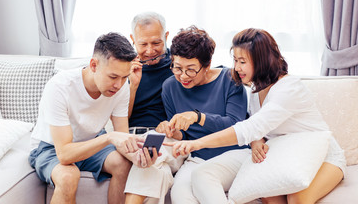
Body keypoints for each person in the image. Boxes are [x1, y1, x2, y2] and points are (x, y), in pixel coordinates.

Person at [168, 28, 346, 204]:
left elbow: (250, 127)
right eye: (235, 60)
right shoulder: (255, 91)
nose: (236, 68)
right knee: (268, 195)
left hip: (323, 155)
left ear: (261, 61)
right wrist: (256, 140)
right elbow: (255, 126)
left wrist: (196, 143)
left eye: (242, 61)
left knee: (297, 198)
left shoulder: (289, 88)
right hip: (285, 154)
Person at [124, 26, 249, 204]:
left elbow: (236, 126)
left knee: (203, 177)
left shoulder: (229, 79)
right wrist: (171, 130)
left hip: (233, 153)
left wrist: (197, 117)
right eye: (177, 68)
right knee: (180, 195)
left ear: (207, 64)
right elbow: (184, 135)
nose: (183, 76)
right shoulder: (169, 86)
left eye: (191, 69)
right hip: (197, 157)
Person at [29, 32, 155, 204]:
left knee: (123, 163)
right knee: (68, 176)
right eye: (113, 77)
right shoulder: (60, 87)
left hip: (92, 141)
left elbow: (123, 138)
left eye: (124, 77)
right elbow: (65, 154)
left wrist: (137, 157)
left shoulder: (121, 88)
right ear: (94, 65)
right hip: (51, 148)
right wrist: (109, 137)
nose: (118, 85)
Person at [128, 12, 173, 134]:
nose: (150, 51)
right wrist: (133, 86)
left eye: (156, 43)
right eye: (143, 44)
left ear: (166, 36)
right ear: (133, 39)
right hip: (131, 133)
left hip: (163, 133)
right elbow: (120, 119)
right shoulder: (123, 67)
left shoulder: (178, 65)